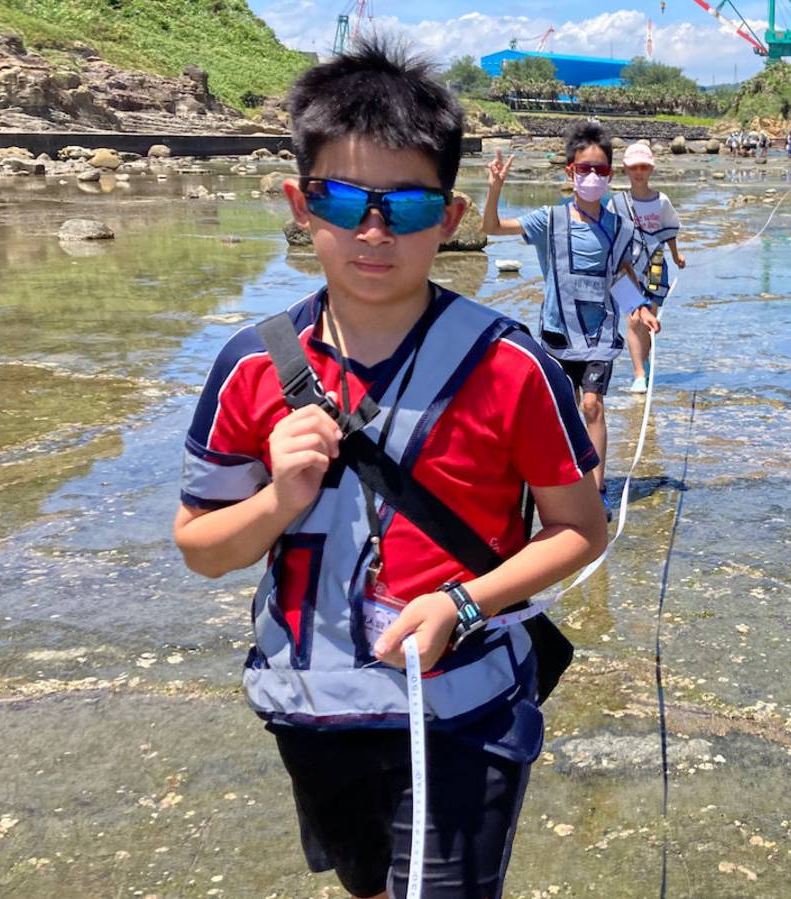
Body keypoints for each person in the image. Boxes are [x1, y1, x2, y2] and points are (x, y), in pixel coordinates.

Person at [172, 39, 609, 899]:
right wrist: (277, 500)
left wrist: (462, 602)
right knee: (367, 885)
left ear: (447, 220)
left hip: (463, 704)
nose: (374, 233)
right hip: (312, 700)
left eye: (406, 207)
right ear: (302, 205)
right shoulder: (250, 365)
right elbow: (202, 547)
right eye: (344, 200)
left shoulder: (512, 366)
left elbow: (580, 528)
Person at [480, 120, 659, 519]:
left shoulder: (620, 228)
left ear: (610, 176)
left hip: (598, 336)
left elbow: (622, 276)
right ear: (570, 172)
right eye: (585, 169)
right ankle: (558, 483)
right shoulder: (549, 221)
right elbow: (491, 227)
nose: (593, 177)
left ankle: (597, 491)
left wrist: (642, 308)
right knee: (562, 411)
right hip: (558, 336)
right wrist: (495, 189)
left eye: (601, 171)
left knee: (592, 406)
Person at [610, 141, 684, 393]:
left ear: (651, 169)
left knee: (648, 318)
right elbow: (609, 238)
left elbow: (669, 231)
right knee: (633, 319)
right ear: (625, 170)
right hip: (626, 268)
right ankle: (639, 373)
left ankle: (645, 361)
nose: (638, 172)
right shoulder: (616, 203)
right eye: (633, 168)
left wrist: (676, 256)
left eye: (643, 167)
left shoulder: (661, 201)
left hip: (654, 266)